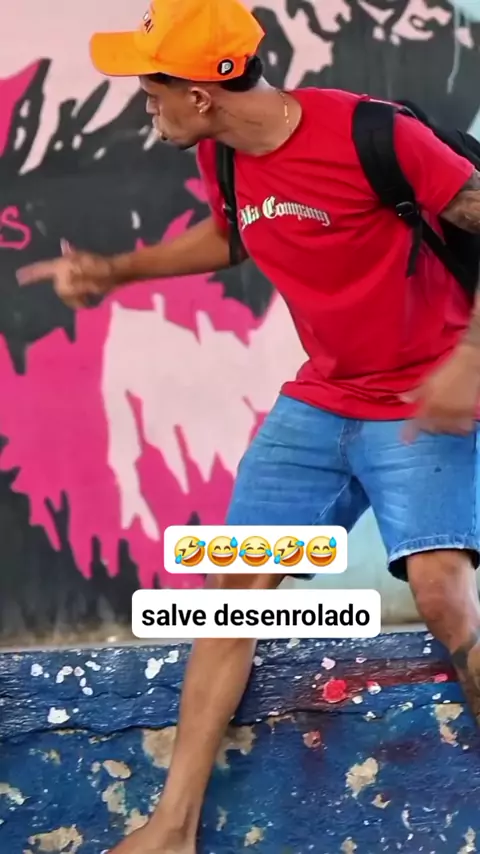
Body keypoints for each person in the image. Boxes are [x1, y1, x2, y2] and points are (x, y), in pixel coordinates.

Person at [16, 0, 480, 851]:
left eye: (153, 90)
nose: (145, 104)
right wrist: (116, 270)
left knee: (446, 600)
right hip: (319, 405)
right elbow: (233, 236)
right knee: (230, 593)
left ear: (201, 94)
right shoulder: (224, 154)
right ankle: (172, 829)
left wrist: (472, 356)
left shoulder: (375, 135)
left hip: (421, 403)